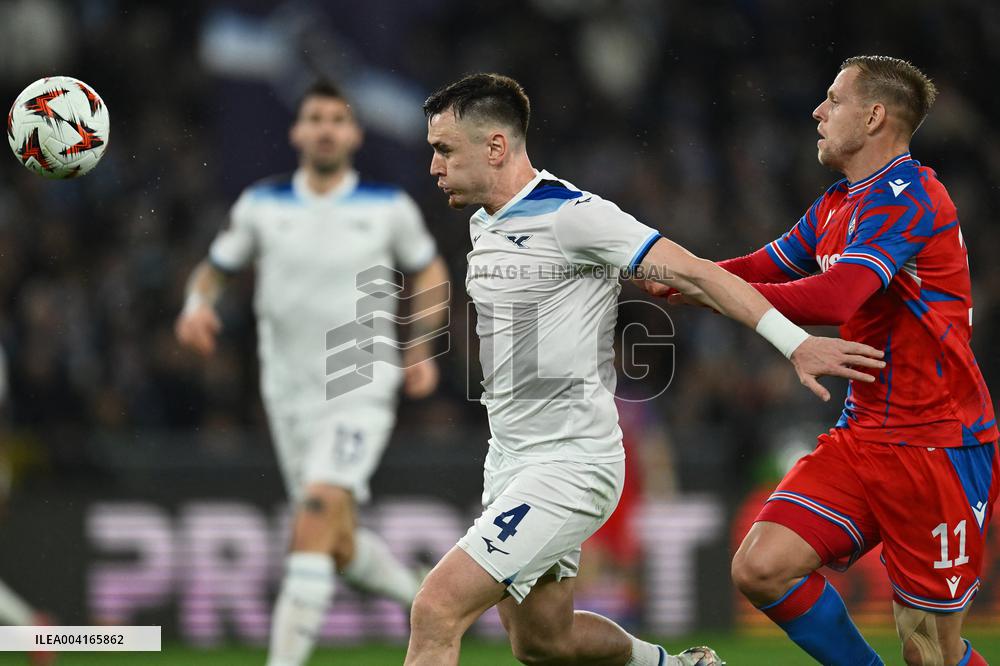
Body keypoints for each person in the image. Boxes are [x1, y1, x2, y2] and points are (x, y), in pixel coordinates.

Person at [405, 72, 885, 666]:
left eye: (445, 150)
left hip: (568, 465)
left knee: (436, 609)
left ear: (496, 147)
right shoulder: (485, 223)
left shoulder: (574, 216)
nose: (434, 166)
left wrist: (794, 343)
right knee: (542, 643)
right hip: (510, 459)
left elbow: (698, 273)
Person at [667, 56, 995, 666]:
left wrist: (706, 289)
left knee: (929, 652)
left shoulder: (911, 194)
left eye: (833, 99)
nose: (817, 112)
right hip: (864, 434)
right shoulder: (836, 204)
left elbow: (838, 295)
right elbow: (763, 267)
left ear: (874, 116)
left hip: (937, 445)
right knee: (761, 567)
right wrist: (678, 273)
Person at [174, 80, 449, 666]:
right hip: (287, 396)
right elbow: (213, 271)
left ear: (353, 133)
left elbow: (429, 274)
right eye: (314, 118)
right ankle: (427, 599)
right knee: (337, 543)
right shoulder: (260, 205)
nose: (325, 128)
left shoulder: (387, 206)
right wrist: (195, 307)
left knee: (317, 512)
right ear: (297, 132)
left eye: (336, 119)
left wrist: (420, 344)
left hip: (361, 384)